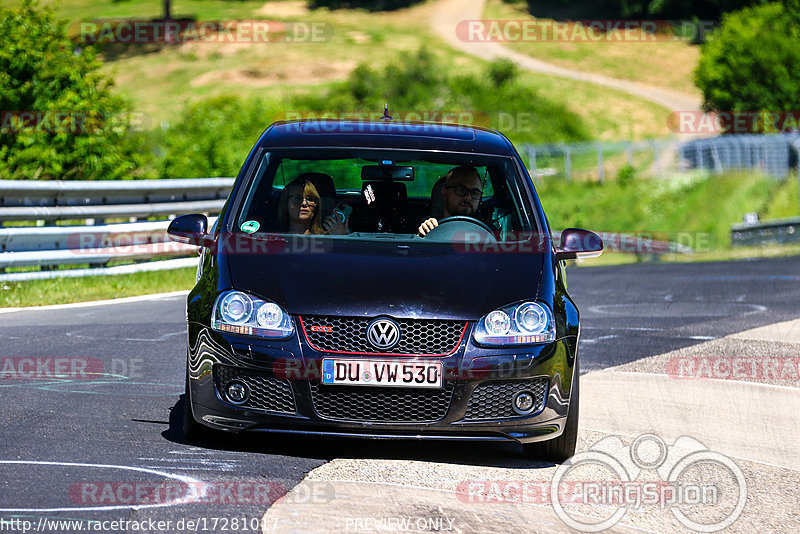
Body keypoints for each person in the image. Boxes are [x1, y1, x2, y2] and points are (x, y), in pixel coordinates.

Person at [417, 165, 483, 237]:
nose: (468, 197)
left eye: (474, 193)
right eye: (461, 190)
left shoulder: (489, 232)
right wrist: (423, 235)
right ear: (444, 194)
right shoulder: (430, 227)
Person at [277, 176, 347, 235]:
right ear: (285, 205)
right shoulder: (274, 239)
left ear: (316, 206)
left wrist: (340, 238)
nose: (304, 204)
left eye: (310, 199)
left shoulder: (328, 237)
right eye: (297, 199)